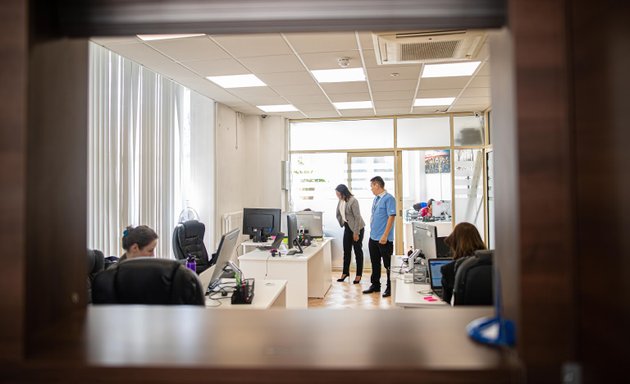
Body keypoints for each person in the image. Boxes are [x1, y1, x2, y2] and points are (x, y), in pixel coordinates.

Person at [363, 176, 396, 297]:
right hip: (373, 237)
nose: (371, 188)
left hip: (384, 239)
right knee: (375, 262)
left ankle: (390, 287)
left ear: (377, 185)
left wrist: (385, 235)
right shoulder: (376, 199)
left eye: (372, 186)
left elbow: (391, 217)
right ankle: (375, 285)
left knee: (387, 264)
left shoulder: (389, 199)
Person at [439, 222, 486, 304]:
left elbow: (446, 303)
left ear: (454, 244)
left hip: (463, 315)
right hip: (494, 313)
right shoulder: (492, 263)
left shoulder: (449, 269)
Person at [335, 184, 366, 284]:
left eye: (338, 194)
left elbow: (357, 217)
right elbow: (339, 212)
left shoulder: (353, 201)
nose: (337, 196)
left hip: (357, 228)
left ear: (344, 193)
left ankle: (358, 275)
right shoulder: (341, 200)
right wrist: (343, 223)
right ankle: (345, 272)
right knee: (346, 251)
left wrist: (356, 233)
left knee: (357, 251)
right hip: (347, 227)